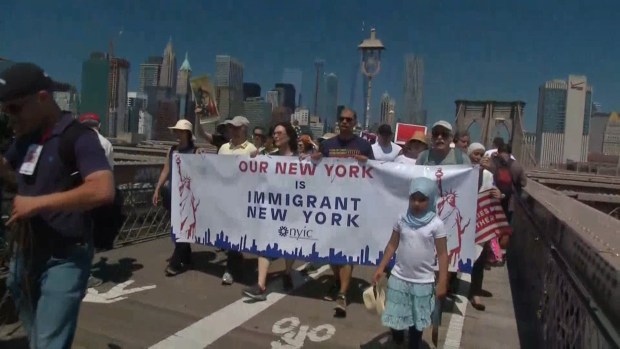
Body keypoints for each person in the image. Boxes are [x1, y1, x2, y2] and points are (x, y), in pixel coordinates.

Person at [0, 62, 115, 348]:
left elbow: (102, 189)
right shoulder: (25, 138)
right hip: (26, 253)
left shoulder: (78, 137)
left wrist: (36, 204)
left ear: (42, 98)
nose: (9, 117)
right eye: (4, 111)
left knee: (49, 340)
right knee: (37, 329)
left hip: (65, 254)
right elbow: (6, 167)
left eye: (15, 108)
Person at [311, 107, 374, 317]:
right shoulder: (327, 145)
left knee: (347, 251)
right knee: (331, 249)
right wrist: (315, 159)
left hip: (353, 207)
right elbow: (315, 171)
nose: (345, 122)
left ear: (355, 122)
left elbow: (377, 172)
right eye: (342, 119)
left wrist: (369, 163)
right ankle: (337, 280)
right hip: (330, 206)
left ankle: (343, 293)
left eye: (349, 119)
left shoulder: (364, 146)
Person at [373, 177, 448, 349]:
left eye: (422, 199)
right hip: (399, 277)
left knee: (416, 322)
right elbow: (392, 245)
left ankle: (413, 344)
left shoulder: (436, 224)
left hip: (423, 281)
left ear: (431, 200)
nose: (416, 203)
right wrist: (381, 267)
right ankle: (397, 338)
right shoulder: (401, 219)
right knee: (395, 316)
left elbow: (443, 254)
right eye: (413, 198)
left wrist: (443, 282)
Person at [243, 122, 298, 301]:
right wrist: (253, 160)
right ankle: (260, 285)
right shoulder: (268, 158)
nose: (275, 136)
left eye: (279, 133)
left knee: (289, 245)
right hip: (271, 210)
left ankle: (287, 272)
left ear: (288, 135)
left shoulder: (299, 159)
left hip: (291, 211)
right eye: (274, 133)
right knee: (265, 242)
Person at [153, 119, 199, 276]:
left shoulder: (195, 152)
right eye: (176, 131)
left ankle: (176, 262)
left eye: (180, 131)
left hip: (188, 196)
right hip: (173, 194)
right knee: (176, 228)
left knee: (183, 228)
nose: (177, 134)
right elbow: (166, 170)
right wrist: (158, 188)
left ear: (187, 133)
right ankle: (187, 257)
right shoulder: (172, 150)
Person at [218, 115, 257, 285]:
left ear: (244, 129)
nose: (232, 130)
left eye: (236, 127)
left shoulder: (251, 149)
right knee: (228, 233)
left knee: (234, 233)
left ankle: (230, 269)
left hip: (242, 198)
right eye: (231, 127)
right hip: (225, 196)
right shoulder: (223, 148)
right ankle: (236, 261)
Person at [467, 143, 502, 311]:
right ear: (469, 155)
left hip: (481, 221)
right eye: (475, 153)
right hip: (463, 220)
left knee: (479, 259)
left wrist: (499, 194)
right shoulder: (462, 171)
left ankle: (475, 293)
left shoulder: (489, 175)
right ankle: (449, 287)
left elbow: (500, 192)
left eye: (481, 154)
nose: (479, 157)